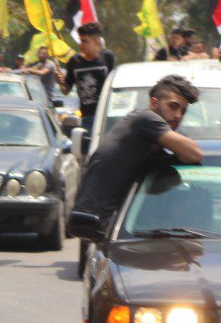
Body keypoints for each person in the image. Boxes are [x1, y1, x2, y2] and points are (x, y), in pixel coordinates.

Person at [71, 75, 204, 270]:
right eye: (173, 106)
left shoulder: (146, 143)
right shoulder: (144, 119)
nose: (178, 115)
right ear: (154, 103)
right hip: (103, 228)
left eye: (183, 111)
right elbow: (194, 154)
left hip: (118, 228)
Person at [58, 22, 115, 130]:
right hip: (87, 118)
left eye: (85, 41)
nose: (81, 45)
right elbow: (66, 90)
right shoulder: (74, 62)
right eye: (80, 41)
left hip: (106, 117)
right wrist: (60, 83)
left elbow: (114, 85)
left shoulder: (107, 57)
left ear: (96, 42)